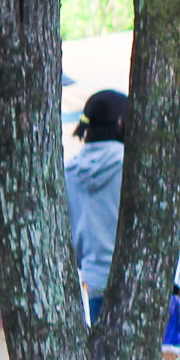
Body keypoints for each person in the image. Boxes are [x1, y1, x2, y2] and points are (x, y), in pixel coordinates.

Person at [66, 89, 126, 321]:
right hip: (127, 285)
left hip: (87, 284)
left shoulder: (68, 170)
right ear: (121, 122)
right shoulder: (130, 166)